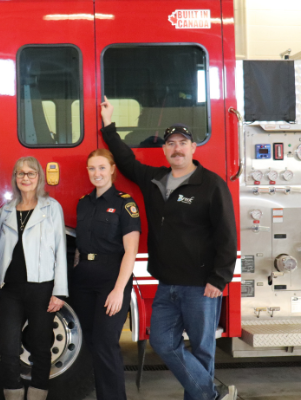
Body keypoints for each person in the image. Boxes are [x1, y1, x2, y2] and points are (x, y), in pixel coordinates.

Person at [100, 96, 238, 400]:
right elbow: (125, 161)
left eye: (183, 143)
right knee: (162, 343)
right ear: (164, 150)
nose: (177, 148)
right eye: (171, 143)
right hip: (166, 285)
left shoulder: (211, 184)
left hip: (201, 286)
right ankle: (212, 394)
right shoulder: (155, 180)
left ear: (193, 148)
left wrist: (220, 278)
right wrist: (108, 125)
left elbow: (227, 234)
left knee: (202, 351)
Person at [0, 157, 67, 400]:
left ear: (39, 178)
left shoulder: (51, 208)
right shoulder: (5, 211)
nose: (25, 178)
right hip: (10, 290)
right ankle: (12, 393)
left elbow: (60, 250)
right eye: (20, 173)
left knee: (41, 346)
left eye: (31, 173)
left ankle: (37, 395)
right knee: (9, 347)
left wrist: (60, 291)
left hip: (42, 289)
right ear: (15, 178)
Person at [70, 148, 140, 400]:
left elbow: (130, 251)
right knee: (91, 342)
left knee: (106, 343)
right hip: (84, 281)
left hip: (112, 280)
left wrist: (119, 290)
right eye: (92, 168)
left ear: (112, 169)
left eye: (101, 167)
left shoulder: (124, 203)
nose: (96, 173)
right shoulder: (83, 202)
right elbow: (80, 244)